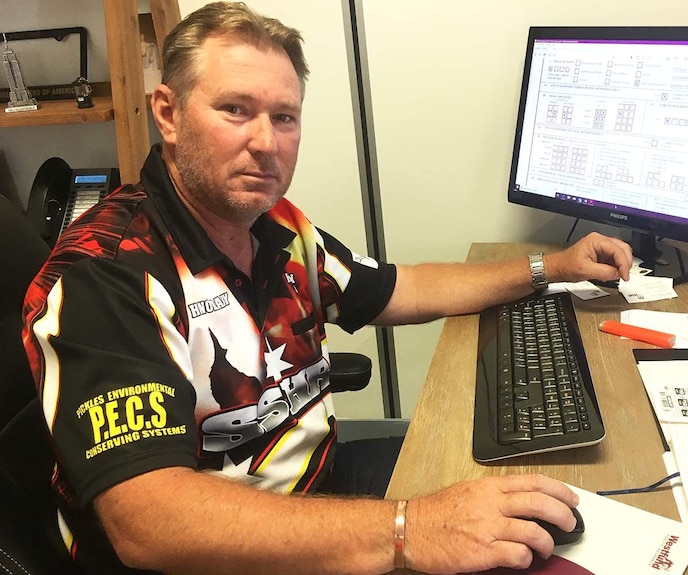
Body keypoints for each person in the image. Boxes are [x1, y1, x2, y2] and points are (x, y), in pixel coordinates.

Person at [21, 3, 633, 574]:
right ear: (168, 113)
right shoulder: (104, 273)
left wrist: (552, 268)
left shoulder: (276, 225)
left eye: (283, 117)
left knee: (549, 509)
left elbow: (401, 288)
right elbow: (148, 522)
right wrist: (406, 527)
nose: (266, 142)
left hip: (319, 489)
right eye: (235, 109)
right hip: (219, 556)